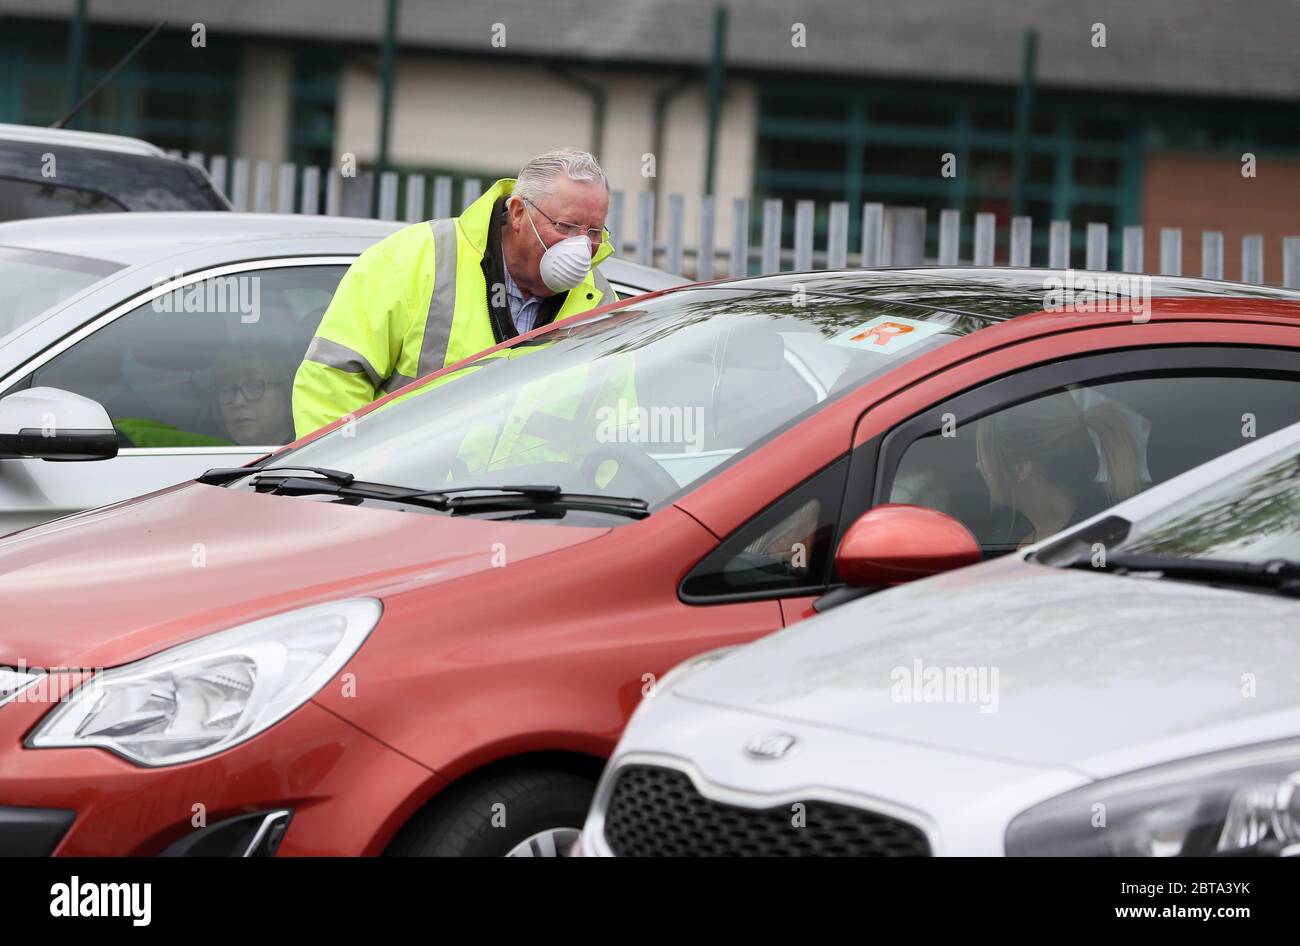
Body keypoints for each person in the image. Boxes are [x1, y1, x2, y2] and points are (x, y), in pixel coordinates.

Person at [291, 147, 617, 439]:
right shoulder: (414, 260)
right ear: (518, 213)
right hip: (399, 499)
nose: (581, 246)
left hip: (536, 503)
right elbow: (331, 383)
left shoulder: (599, 301)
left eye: (594, 231)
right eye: (565, 226)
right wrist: (350, 486)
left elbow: (614, 420)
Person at [974, 393, 1142, 547]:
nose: (978, 466)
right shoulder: (1099, 533)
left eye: (985, 458)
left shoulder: (1087, 550)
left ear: (1020, 469)